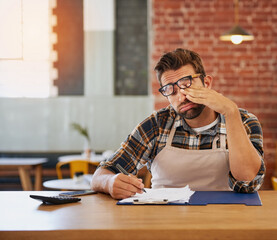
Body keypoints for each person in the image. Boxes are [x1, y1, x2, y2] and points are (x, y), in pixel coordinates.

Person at [91, 48, 265, 199]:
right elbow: (102, 173)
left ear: (207, 83)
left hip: (225, 221)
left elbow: (247, 183)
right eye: (171, 90)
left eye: (186, 84)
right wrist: (109, 182)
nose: (181, 96)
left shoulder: (244, 121)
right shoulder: (157, 125)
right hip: (165, 224)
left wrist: (231, 113)